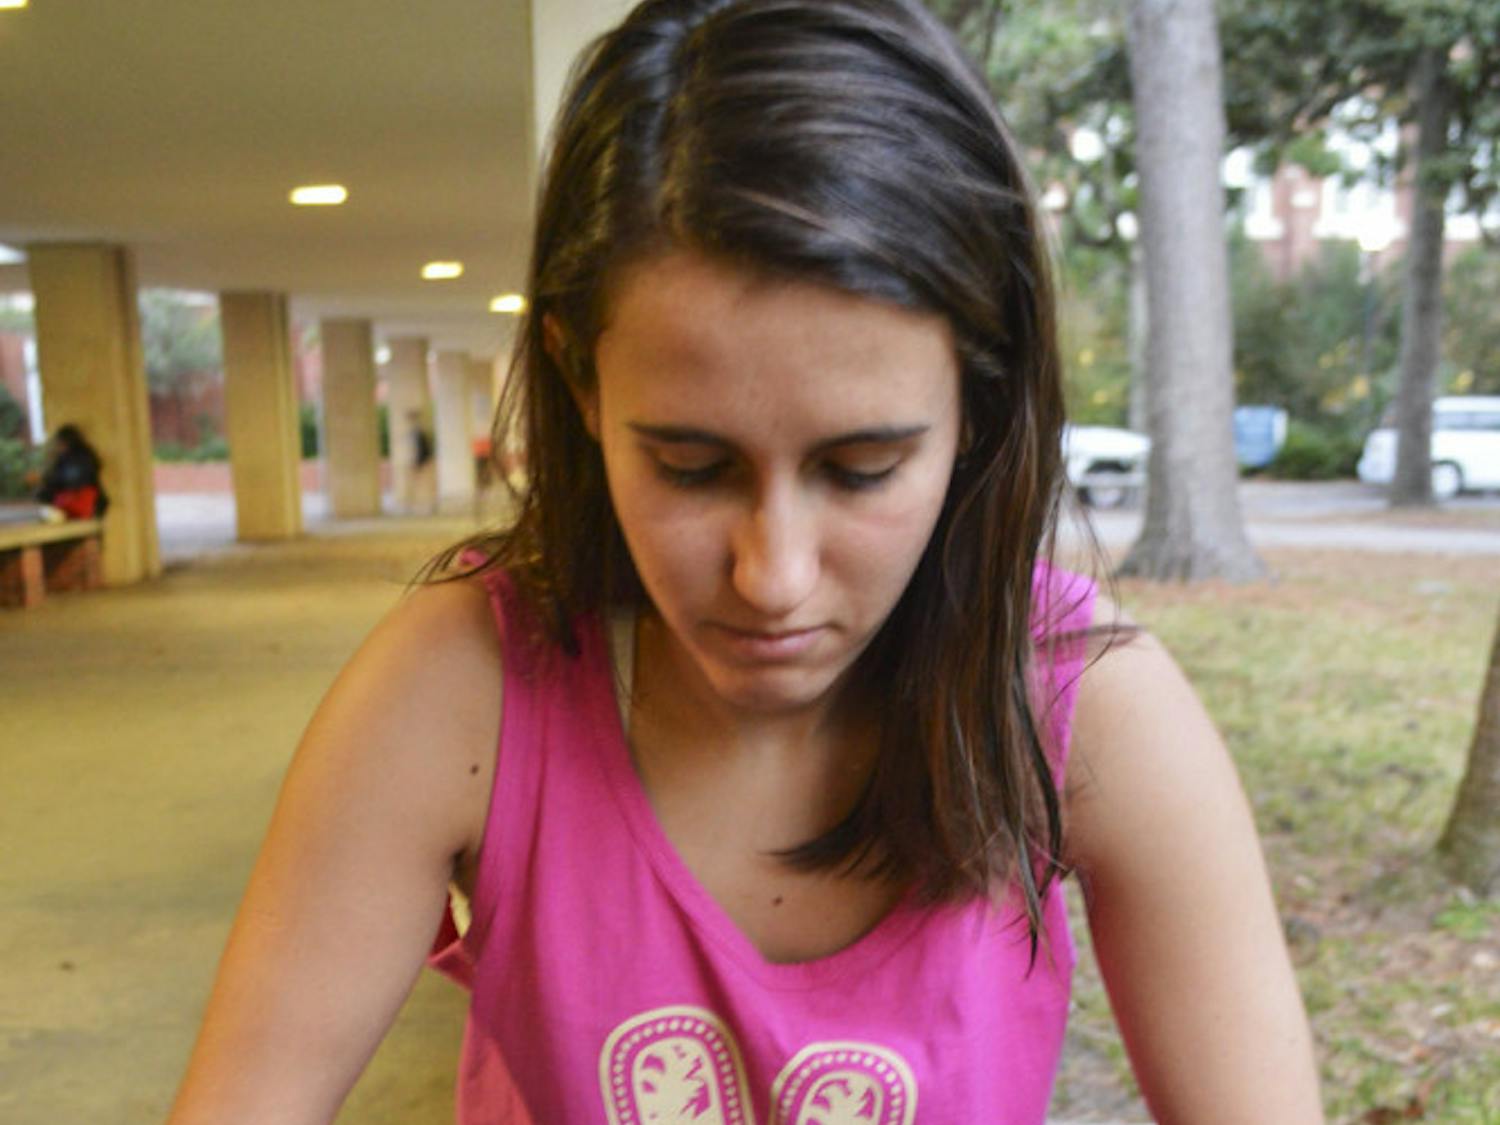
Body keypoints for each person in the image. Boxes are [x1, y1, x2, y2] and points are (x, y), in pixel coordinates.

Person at [168, 2, 1324, 1122]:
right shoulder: (463, 688)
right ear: (581, 383)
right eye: (689, 465)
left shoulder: (1084, 709)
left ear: (977, 403)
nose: (772, 577)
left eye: (863, 468)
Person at [35, 423, 109, 519]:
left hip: (81, 502)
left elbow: (72, 480)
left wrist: (45, 480)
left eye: (59, 443)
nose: (58, 446)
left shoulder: (79, 457)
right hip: (79, 502)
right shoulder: (65, 458)